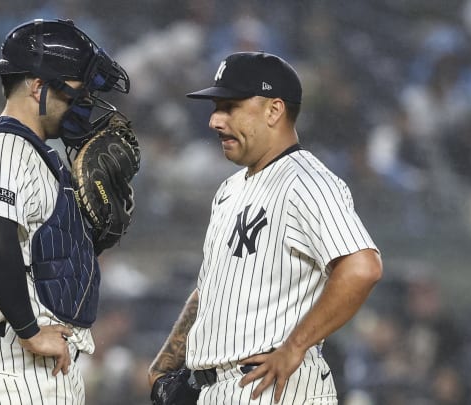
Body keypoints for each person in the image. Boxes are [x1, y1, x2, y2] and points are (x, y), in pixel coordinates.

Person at [148, 52, 383, 404]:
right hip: (217, 388)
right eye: (215, 107)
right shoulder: (230, 189)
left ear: (274, 110)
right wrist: (162, 369)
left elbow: (362, 267)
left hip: (273, 387)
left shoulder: (306, 181)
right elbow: (208, 289)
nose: (214, 120)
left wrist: (295, 346)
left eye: (229, 106)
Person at [0, 19, 129, 404]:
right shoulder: (3, 145)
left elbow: (50, 258)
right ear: (38, 86)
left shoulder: (36, 153)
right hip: (14, 365)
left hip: (29, 368)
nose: (84, 104)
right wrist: (29, 330)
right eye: (77, 92)